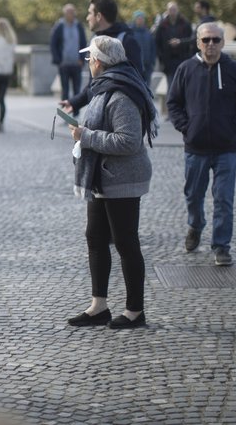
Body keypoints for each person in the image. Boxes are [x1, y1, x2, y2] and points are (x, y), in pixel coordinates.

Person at [66, 36, 157, 330]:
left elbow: (129, 142)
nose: (88, 64)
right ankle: (99, 306)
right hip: (102, 178)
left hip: (122, 179)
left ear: (98, 62)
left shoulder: (121, 94)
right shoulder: (104, 87)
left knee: (126, 243)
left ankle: (135, 311)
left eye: (89, 59)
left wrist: (86, 136)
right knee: (95, 236)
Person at [167, 23, 236, 267]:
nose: (211, 45)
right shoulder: (186, 70)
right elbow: (173, 104)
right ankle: (195, 225)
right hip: (195, 147)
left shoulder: (235, 70)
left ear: (223, 42)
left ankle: (221, 245)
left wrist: (235, 126)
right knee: (193, 195)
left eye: (216, 40)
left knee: (224, 199)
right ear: (198, 42)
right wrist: (186, 127)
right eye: (206, 40)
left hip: (227, 148)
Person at [61, 0, 143, 117]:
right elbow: (94, 85)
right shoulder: (94, 40)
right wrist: (74, 102)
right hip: (99, 113)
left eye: (90, 13)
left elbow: (137, 81)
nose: (87, 17)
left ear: (99, 17)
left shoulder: (127, 41)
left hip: (120, 116)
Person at [50, 4, 88, 107]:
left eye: (72, 12)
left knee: (77, 90)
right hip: (64, 64)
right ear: (65, 14)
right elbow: (53, 43)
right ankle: (65, 114)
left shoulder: (79, 26)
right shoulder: (59, 26)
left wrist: (81, 59)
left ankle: (76, 113)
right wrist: (58, 60)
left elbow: (83, 43)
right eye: (68, 12)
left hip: (77, 63)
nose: (70, 14)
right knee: (65, 90)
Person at [154, 1, 193, 89]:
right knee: (171, 87)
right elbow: (157, 42)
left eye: (174, 9)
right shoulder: (162, 25)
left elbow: (191, 40)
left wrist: (180, 42)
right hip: (168, 61)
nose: (172, 12)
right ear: (167, 11)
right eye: (170, 10)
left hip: (182, 59)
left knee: (182, 86)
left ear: (178, 10)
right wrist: (161, 58)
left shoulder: (185, 23)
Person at [131, 11, 156, 88]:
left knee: (147, 87)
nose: (140, 20)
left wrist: (152, 61)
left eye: (142, 18)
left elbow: (153, 48)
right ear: (135, 20)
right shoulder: (131, 33)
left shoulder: (148, 33)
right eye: (138, 18)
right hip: (135, 65)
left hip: (147, 65)